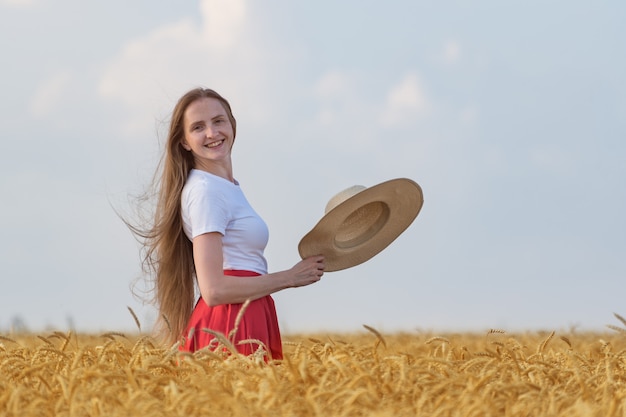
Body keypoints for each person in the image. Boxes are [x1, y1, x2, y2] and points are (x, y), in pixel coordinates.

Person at [132, 87, 325, 360]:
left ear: (232, 125)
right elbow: (214, 290)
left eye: (218, 121)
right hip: (231, 320)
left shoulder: (226, 187)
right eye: (198, 127)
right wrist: (289, 278)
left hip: (249, 310)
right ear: (185, 141)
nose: (212, 133)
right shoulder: (205, 191)